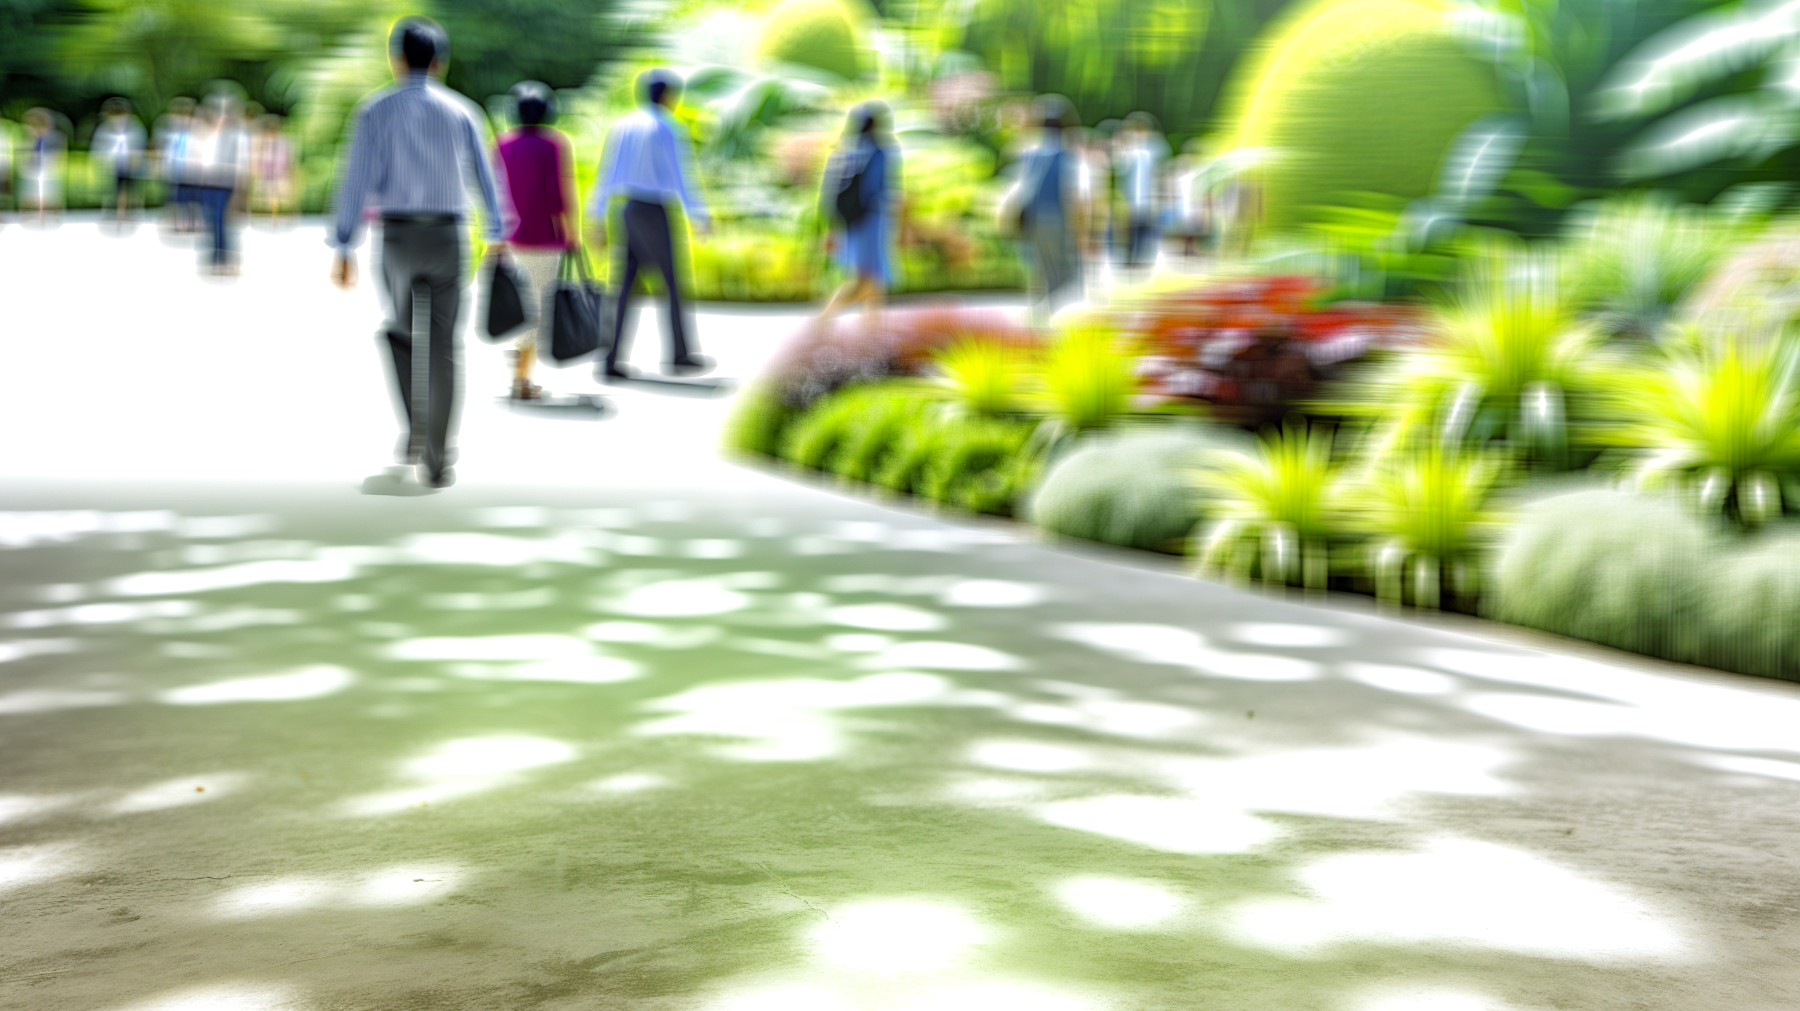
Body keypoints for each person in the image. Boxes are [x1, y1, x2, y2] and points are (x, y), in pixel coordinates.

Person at [330, 16, 505, 490]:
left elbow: (356, 180)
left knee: (402, 334)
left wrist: (344, 243)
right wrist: (496, 230)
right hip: (451, 236)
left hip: (399, 237)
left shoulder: (375, 111)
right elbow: (487, 179)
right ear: (440, 63)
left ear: (396, 58)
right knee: (445, 345)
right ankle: (438, 455)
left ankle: (415, 429)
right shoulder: (463, 110)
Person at [588, 68, 712, 382]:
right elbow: (681, 174)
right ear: (669, 96)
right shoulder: (668, 127)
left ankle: (611, 358)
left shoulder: (623, 126)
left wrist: (596, 215)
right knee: (672, 282)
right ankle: (679, 354)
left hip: (627, 208)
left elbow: (607, 173)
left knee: (624, 284)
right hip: (656, 209)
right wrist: (698, 213)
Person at [493, 81, 576, 401]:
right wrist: (571, 233)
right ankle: (521, 378)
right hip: (543, 238)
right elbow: (558, 195)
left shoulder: (500, 144)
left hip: (509, 238)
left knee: (516, 303)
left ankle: (518, 366)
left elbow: (494, 192)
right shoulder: (554, 145)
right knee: (536, 309)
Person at [816, 101, 899, 334]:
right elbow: (881, 190)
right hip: (873, 222)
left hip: (850, 224)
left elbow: (829, 195)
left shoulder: (845, 151)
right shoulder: (880, 151)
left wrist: (834, 228)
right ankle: (824, 319)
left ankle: (872, 332)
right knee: (868, 278)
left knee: (873, 279)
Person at [1013, 96, 1087, 323]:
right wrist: (1079, 228)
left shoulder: (1030, 152)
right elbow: (1071, 194)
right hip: (1055, 216)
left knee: (1039, 265)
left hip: (1032, 217)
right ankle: (1052, 317)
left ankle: (1036, 314)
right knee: (1060, 268)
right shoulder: (1065, 154)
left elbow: (1020, 186)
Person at [192, 95, 249, 273]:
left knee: (224, 221)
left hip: (226, 181)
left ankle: (225, 257)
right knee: (211, 221)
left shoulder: (236, 133)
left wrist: (241, 186)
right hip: (208, 181)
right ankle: (214, 255)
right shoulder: (207, 132)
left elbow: (242, 161)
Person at [1116, 111, 1167, 274]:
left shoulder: (1153, 150)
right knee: (1131, 230)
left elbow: (1161, 160)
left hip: (1148, 196)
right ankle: (1130, 259)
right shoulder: (1130, 151)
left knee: (1147, 229)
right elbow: (1120, 166)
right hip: (1132, 197)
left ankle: (1144, 260)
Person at [91, 98, 146, 226]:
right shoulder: (106, 128)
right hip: (114, 162)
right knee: (118, 188)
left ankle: (124, 211)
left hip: (129, 162)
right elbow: (100, 146)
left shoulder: (134, 127)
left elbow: (138, 144)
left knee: (128, 188)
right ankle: (120, 211)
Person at [154, 97, 200, 234]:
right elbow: (162, 150)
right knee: (176, 198)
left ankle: (192, 223)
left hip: (191, 169)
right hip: (174, 169)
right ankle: (177, 223)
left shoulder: (196, 131)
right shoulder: (168, 131)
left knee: (192, 198)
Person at [20, 108, 64, 226]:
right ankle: (28, 219)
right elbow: (23, 155)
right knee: (29, 196)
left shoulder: (55, 137)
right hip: (30, 171)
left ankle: (53, 219)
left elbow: (57, 155)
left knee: (49, 197)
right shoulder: (27, 137)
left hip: (48, 171)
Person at [250, 113, 294, 222]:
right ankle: (266, 215)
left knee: (277, 195)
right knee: (265, 195)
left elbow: (286, 158)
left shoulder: (282, 141)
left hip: (278, 172)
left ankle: (274, 216)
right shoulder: (261, 141)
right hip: (265, 172)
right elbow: (256, 158)